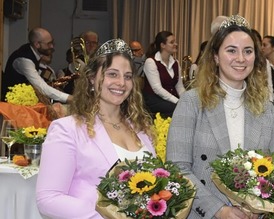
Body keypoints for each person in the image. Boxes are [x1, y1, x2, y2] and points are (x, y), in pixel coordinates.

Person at [166, 15, 274, 219]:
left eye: (248, 51)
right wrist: (218, 210)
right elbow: (177, 168)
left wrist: (259, 208)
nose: (241, 59)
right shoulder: (192, 102)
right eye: (231, 50)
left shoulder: (266, 109)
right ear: (216, 57)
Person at [36, 39, 155, 218]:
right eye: (112, 74)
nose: (122, 83)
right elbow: (48, 199)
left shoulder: (141, 129)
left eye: (128, 76)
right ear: (92, 78)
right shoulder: (67, 129)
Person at [1, 27, 72, 103]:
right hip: (12, 104)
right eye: (49, 43)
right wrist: (70, 98)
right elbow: (41, 87)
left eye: (52, 42)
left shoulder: (33, 53)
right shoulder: (24, 60)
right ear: (37, 44)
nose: (52, 46)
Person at [142, 31, 186, 118]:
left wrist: (187, 100)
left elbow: (179, 87)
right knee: (179, 109)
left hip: (170, 100)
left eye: (175, 41)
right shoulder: (151, 62)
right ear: (163, 45)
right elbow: (157, 89)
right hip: (154, 100)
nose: (176, 44)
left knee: (187, 108)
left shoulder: (176, 63)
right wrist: (177, 101)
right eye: (172, 42)